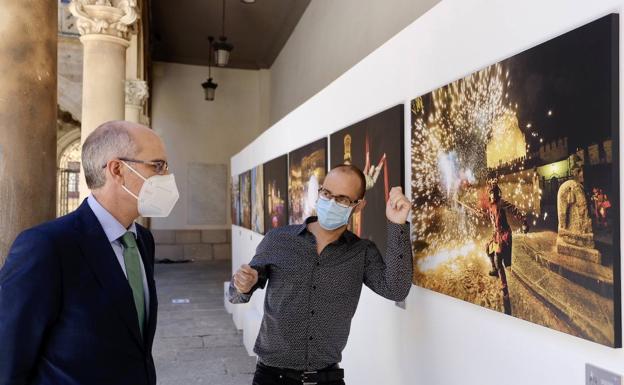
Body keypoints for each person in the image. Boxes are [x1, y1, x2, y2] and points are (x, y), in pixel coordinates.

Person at [0, 121, 180, 385]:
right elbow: (8, 358)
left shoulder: (143, 240)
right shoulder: (47, 246)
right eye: (158, 166)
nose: (166, 176)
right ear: (117, 169)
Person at [229, 164, 413, 385]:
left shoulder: (362, 252)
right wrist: (242, 285)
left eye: (343, 199)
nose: (331, 202)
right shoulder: (278, 239)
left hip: (327, 378)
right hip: (271, 377)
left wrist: (397, 224)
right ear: (319, 193)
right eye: (327, 193)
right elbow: (237, 292)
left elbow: (396, 289)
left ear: (359, 205)